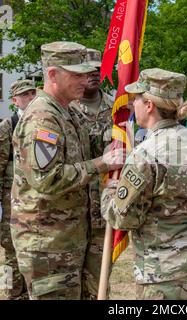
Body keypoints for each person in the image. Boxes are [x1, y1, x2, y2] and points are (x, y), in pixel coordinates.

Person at [101, 68, 187, 300]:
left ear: (150, 105)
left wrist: (108, 193)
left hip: (167, 274)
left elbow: (123, 218)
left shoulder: (145, 155)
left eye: (136, 100)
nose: (133, 106)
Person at [10, 41, 124, 300]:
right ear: (53, 74)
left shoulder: (66, 112)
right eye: (77, 74)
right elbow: (47, 180)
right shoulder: (43, 118)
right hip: (48, 244)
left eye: (86, 74)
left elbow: (82, 154)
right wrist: (102, 163)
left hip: (68, 238)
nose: (85, 80)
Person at [69, 48, 113, 300]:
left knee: (99, 284)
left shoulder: (117, 107)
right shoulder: (65, 109)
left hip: (103, 209)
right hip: (70, 211)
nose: (95, 74)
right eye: (89, 70)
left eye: (98, 69)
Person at [0, 80, 36, 299]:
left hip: (34, 200)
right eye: (25, 95)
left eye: (33, 93)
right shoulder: (8, 125)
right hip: (10, 199)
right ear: (15, 101)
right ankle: (10, 292)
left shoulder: (42, 122)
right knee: (10, 251)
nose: (31, 98)